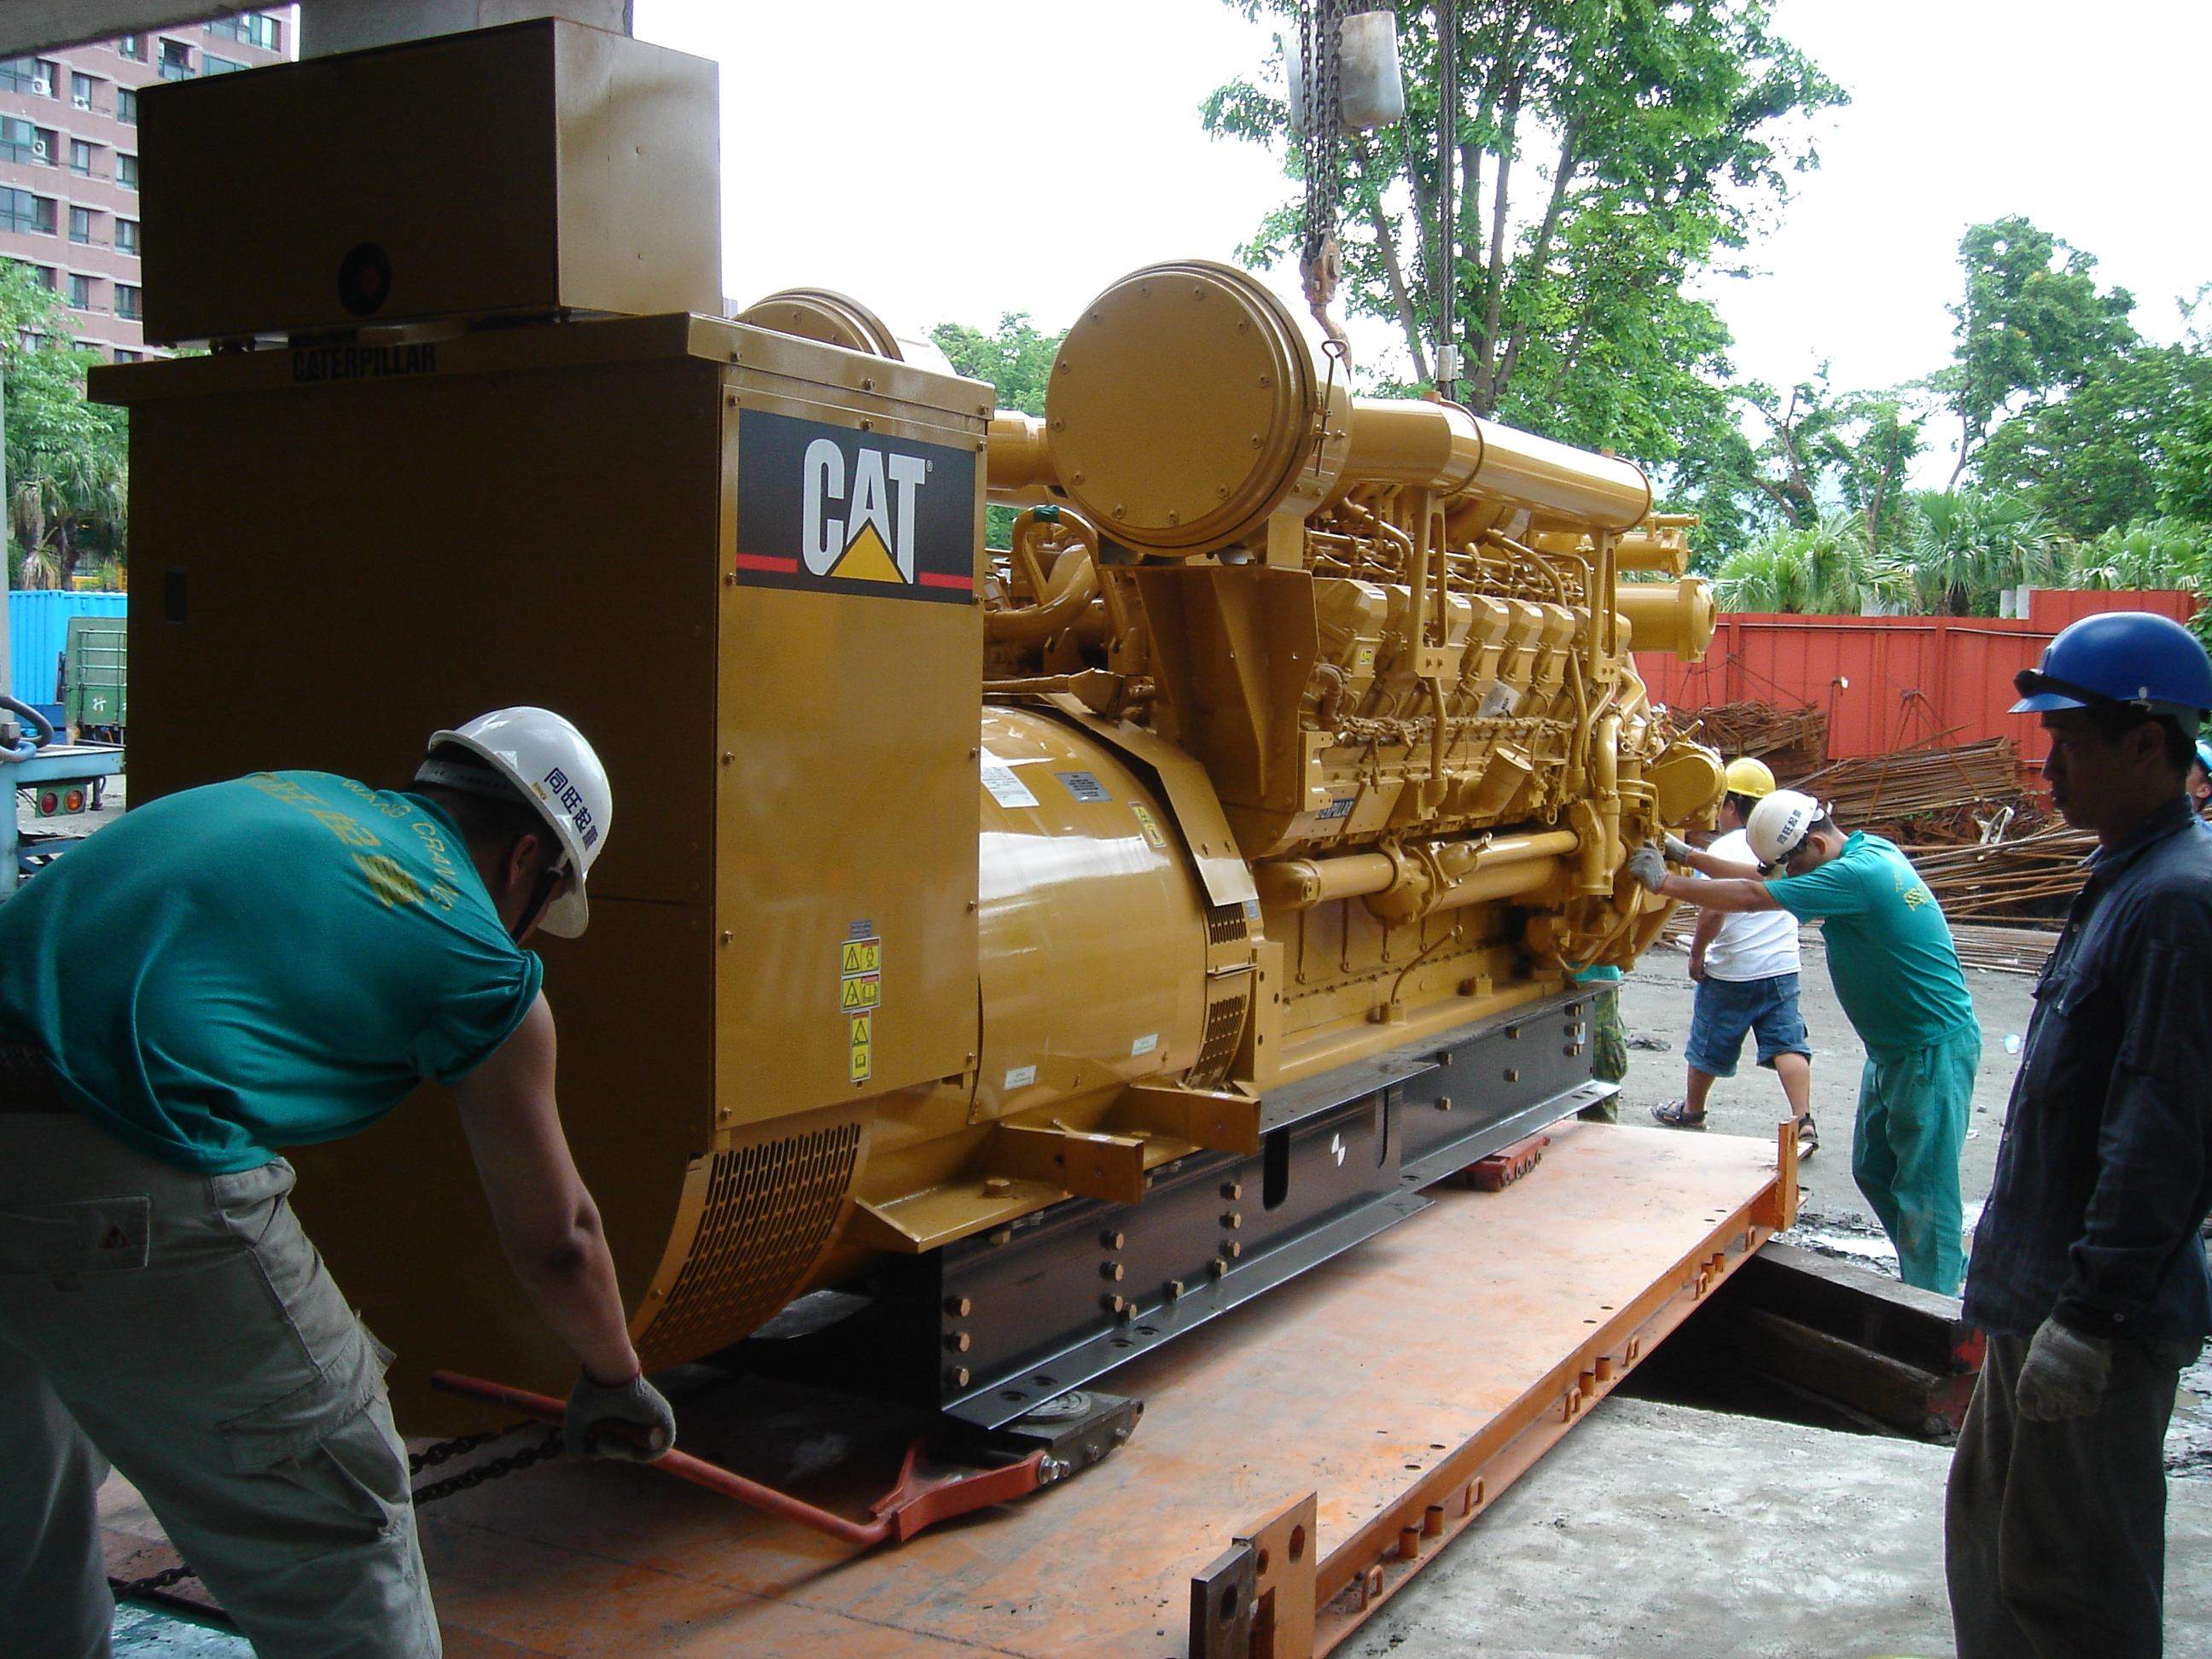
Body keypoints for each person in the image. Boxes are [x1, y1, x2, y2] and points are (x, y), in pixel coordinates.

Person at [0, 708, 677, 1659]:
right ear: (527, 859)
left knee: (20, 1529)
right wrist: (614, 1376)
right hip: (127, 1150)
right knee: (339, 1517)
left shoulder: (303, 795)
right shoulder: (479, 955)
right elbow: (559, 1237)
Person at [1946, 611, 2212, 1659]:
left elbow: (2166, 1130)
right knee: (1996, 1552)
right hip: (2040, 1294)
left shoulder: (2178, 904)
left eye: (2068, 741)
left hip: (2088, 1313)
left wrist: (2092, 1316)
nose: (2046, 767)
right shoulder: (2127, 874)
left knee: (2070, 1590)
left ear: (2146, 743)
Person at [1626, 789, 1978, 1294]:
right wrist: (1690, 856)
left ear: (1814, 843)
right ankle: (1933, 1269)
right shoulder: (1865, 852)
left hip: (1929, 1051)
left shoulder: (1858, 876)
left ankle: (1937, 1304)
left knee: (1925, 1189)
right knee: (1874, 1170)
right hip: (1896, 1051)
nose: (1786, 876)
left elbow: (1753, 897)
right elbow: (1766, 880)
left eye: (1791, 865)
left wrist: (1665, 883)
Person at [1648, 756, 1817, 1156]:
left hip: (1732, 972)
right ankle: (1804, 1120)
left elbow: (1713, 911)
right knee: (1787, 1043)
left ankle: (1692, 1110)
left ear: (1730, 807)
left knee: (1707, 1043)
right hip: (1781, 968)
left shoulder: (1726, 847)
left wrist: (1697, 956)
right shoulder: (1783, 849)